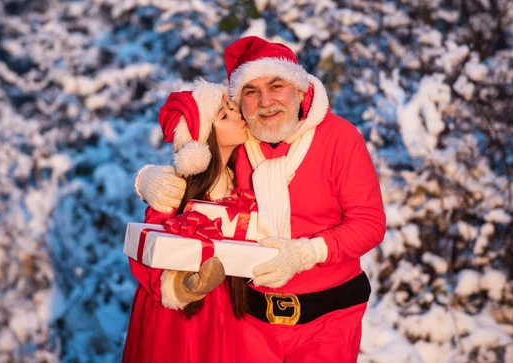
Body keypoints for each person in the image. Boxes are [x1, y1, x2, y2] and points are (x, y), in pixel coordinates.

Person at [135, 36, 387, 362]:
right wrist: (148, 180)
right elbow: (197, 159)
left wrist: (303, 254)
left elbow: (368, 224)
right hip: (249, 316)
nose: (265, 101)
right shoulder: (239, 138)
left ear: (300, 89)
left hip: (329, 315)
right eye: (251, 92)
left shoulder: (339, 137)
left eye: (276, 85)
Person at [123, 80, 249, 363]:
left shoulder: (243, 181)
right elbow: (149, 246)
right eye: (224, 115)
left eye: (233, 109)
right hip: (179, 316)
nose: (239, 116)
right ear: (203, 140)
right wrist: (180, 287)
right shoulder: (179, 188)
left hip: (229, 308)